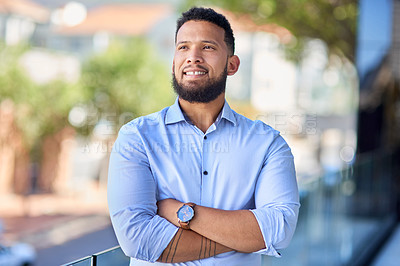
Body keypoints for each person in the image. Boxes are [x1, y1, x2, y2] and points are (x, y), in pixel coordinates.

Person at [108, 7, 300, 265]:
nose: (193, 57)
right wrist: (243, 238)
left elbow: (280, 230)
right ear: (174, 61)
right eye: (183, 47)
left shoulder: (268, 144)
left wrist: (183, 213)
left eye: (207, 47)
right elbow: (137, 239)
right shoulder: (137, 138)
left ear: (232, 65)